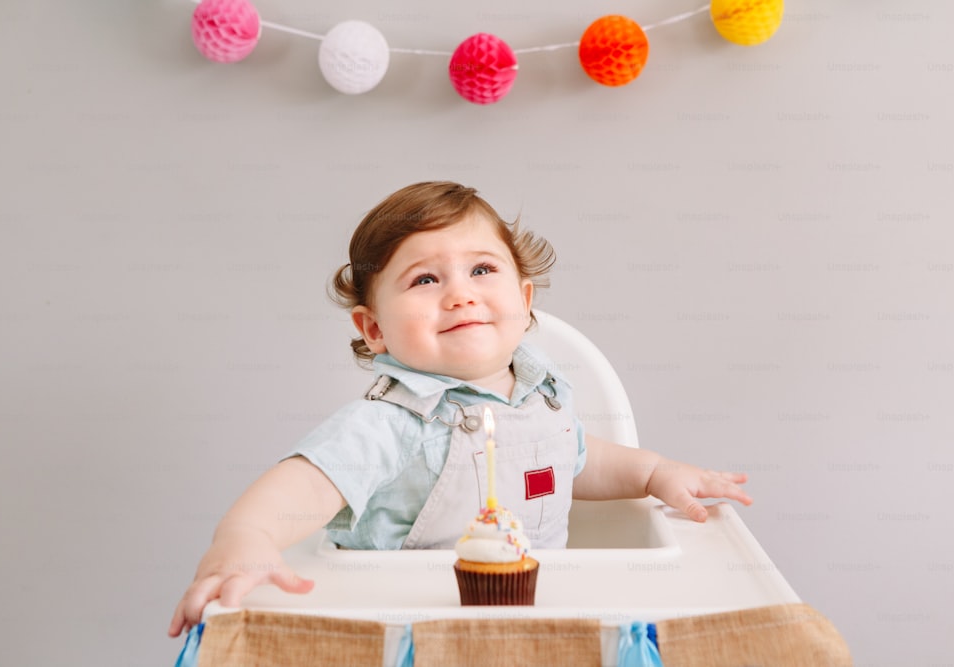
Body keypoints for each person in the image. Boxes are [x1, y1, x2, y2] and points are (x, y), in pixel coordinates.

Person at [168, 181, 752, 637]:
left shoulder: (544, 395)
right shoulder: (388, 424)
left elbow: (576, 459)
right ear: (374, 328)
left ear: (523, 301)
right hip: (410, 625)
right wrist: (245, 539)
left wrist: (653, 473)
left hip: (543, 615)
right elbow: (299, 490)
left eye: (481, 269)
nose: (460, 293)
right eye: (425, 279)